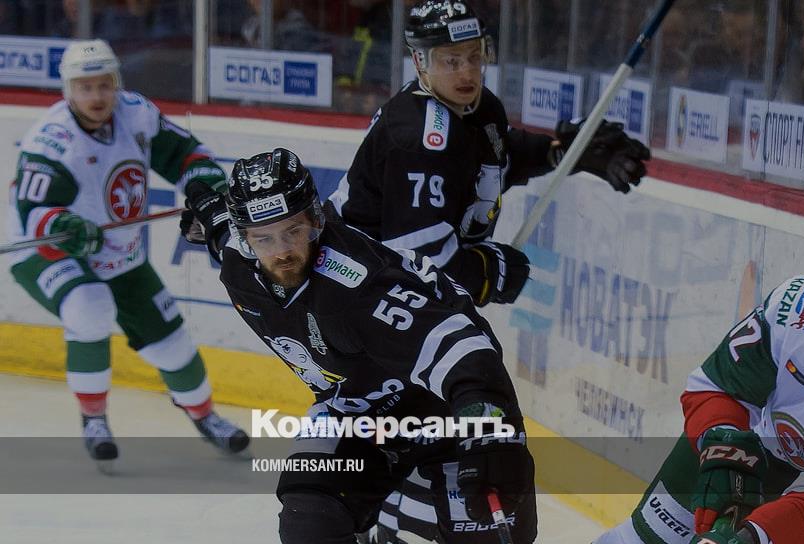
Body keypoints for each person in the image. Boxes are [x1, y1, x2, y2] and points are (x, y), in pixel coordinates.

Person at [179, 148, 538, 544]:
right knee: (309, 522)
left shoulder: (359, 287)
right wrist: (210, 215)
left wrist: (491, 436)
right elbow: (222, 231)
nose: (281, 252)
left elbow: (464, 351)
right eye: (263, 238)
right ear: (244, 239)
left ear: (317, 219)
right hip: (355, 415)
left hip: (445, 411)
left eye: (294, 231)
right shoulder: (238, 261)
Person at [7, 39, 249, 471]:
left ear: (117, 83)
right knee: (90, 306)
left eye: (105, 85)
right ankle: (94, 419)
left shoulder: (137, 113)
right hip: (50, 251)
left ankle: (204, 415)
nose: (97, 96)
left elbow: (187, 154)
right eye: (85, 88)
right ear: (68, 90)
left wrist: (203, 187)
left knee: (173, 345)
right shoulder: (51, 141)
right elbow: (33, 214)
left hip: (120, 249)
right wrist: (64, 226)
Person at [594, 259, 804, 544]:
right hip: (766, 446)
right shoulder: (802, 306)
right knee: (639, 539)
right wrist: (724, 450)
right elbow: (716, 387)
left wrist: (752, 537)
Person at [330, 0, 650, 309]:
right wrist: (487, 274)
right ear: (420, 62)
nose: (467, 73)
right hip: (352, 285)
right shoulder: (420, 139)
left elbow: (500, 157)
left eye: (474, 56)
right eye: (451, 61)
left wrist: (566, 152)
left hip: (388, 288)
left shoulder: (480, 107)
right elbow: (421, 257)